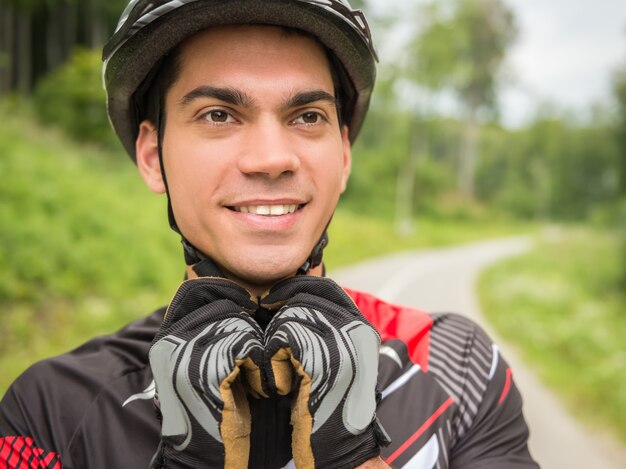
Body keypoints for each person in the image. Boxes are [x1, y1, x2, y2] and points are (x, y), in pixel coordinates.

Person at [0, 1, 539, 468]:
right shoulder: (49, 411)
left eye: (306, 116)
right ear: (151, 156)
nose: (271, 158)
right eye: (217, 114)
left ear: (344, 155)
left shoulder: (456, 365)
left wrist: (352, 456)